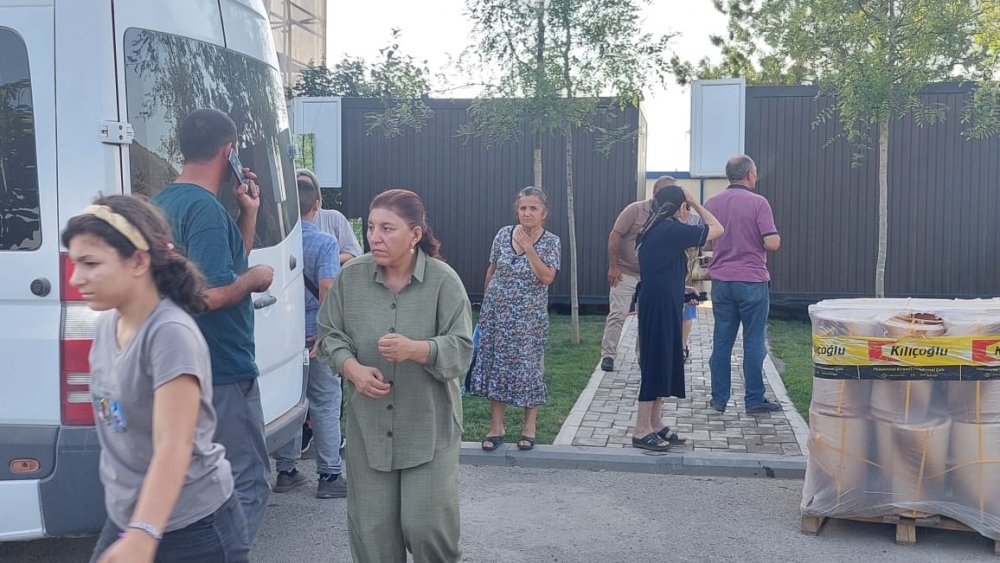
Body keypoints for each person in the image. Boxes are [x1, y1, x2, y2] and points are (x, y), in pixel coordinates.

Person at [64, 195, 248, 563]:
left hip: (194, 529)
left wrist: (143, 534)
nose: (75, 278)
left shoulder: (170, 334)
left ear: (138, 261)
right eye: (74, 263)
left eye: (90, 263)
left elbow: (173, 445)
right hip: (131, 517)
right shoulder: (108, 324)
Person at [316, 189, 473, 563]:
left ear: (415, 234)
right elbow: (329, 335)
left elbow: (462, 348)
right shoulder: (350, 278)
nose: (375, 237)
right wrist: (351, 369)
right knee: (373, 538)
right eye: (371, 227)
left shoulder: (444, 281)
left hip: (428, 428)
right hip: (369, 431)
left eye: (387, 228)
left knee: (427, 528)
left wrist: (418, 350)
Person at [152, 109, 274, 543]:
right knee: (248, 482)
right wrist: (256, 279)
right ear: (229, 151)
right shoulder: (204, 209)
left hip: (176, 366)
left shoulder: (162, 203)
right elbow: (210, 295)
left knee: (190, 484)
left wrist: (248, 212)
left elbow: (224, 266)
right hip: (221, 367)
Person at [467, 187, 561, 452]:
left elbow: (546, 277)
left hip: (528, 319)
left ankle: (529, 428)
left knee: (528, 369)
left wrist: (529, 248)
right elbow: (492, 270)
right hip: (497, 316)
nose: (527, 213)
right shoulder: (502, 234)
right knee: (497, 367)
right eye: (523, 208)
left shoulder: (551, 242)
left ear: (544, 213)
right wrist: (486, 305)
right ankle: (496, 428)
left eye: (533, 208)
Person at [631, 186, 724, 451]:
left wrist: (682, 289)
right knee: (655, 363)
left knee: (664, 361)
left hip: (661, 299)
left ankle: (655, 422)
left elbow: (660, 269)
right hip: (659, 304)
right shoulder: (670, 230)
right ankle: (641, 429)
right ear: (680, 206)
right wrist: (694, 201)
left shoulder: (656, 229)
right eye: (685, 205)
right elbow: (717, 229)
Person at [271, 179, 347, 499]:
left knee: (290, 401)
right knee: (326, 401)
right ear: (317, 204)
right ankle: (329, 475)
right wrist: (326, 333)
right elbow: (327, 287)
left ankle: (286, 471)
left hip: (282, 335)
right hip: (315, 333)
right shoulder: (325, 242)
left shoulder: (274, 243)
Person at [704, 155, 783, 414]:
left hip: (721, 282)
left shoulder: (712, 202)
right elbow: (772, 242)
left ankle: (719, 398)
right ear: (749, 174)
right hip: (752, 281)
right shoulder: (758, 203)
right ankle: (754, 399)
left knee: (722, 341)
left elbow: (706, 242)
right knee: (753, 342)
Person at [600, 176, 676, 372]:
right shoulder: (634, 210)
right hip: (625, 272)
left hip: (652, 276)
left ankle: (644, 357)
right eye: (668, 191)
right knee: (618, 314)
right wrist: (613, 266)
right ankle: (608, 355)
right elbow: (615, 235)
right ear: (656, 191)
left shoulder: (671, 215)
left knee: (647, 318)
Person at [297, 168, 363, 265]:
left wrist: (328, 257)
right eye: (299, 187)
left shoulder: (334, 218)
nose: (303, 192)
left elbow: (354, 253)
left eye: (307, 188)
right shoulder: (284, 224)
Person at [680, 204, 706, 363]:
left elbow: (704, 244)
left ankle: (682, 346)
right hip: (675, 270)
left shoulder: (696, 221)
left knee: (688, 310)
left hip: (691, 271)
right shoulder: (669, 220)